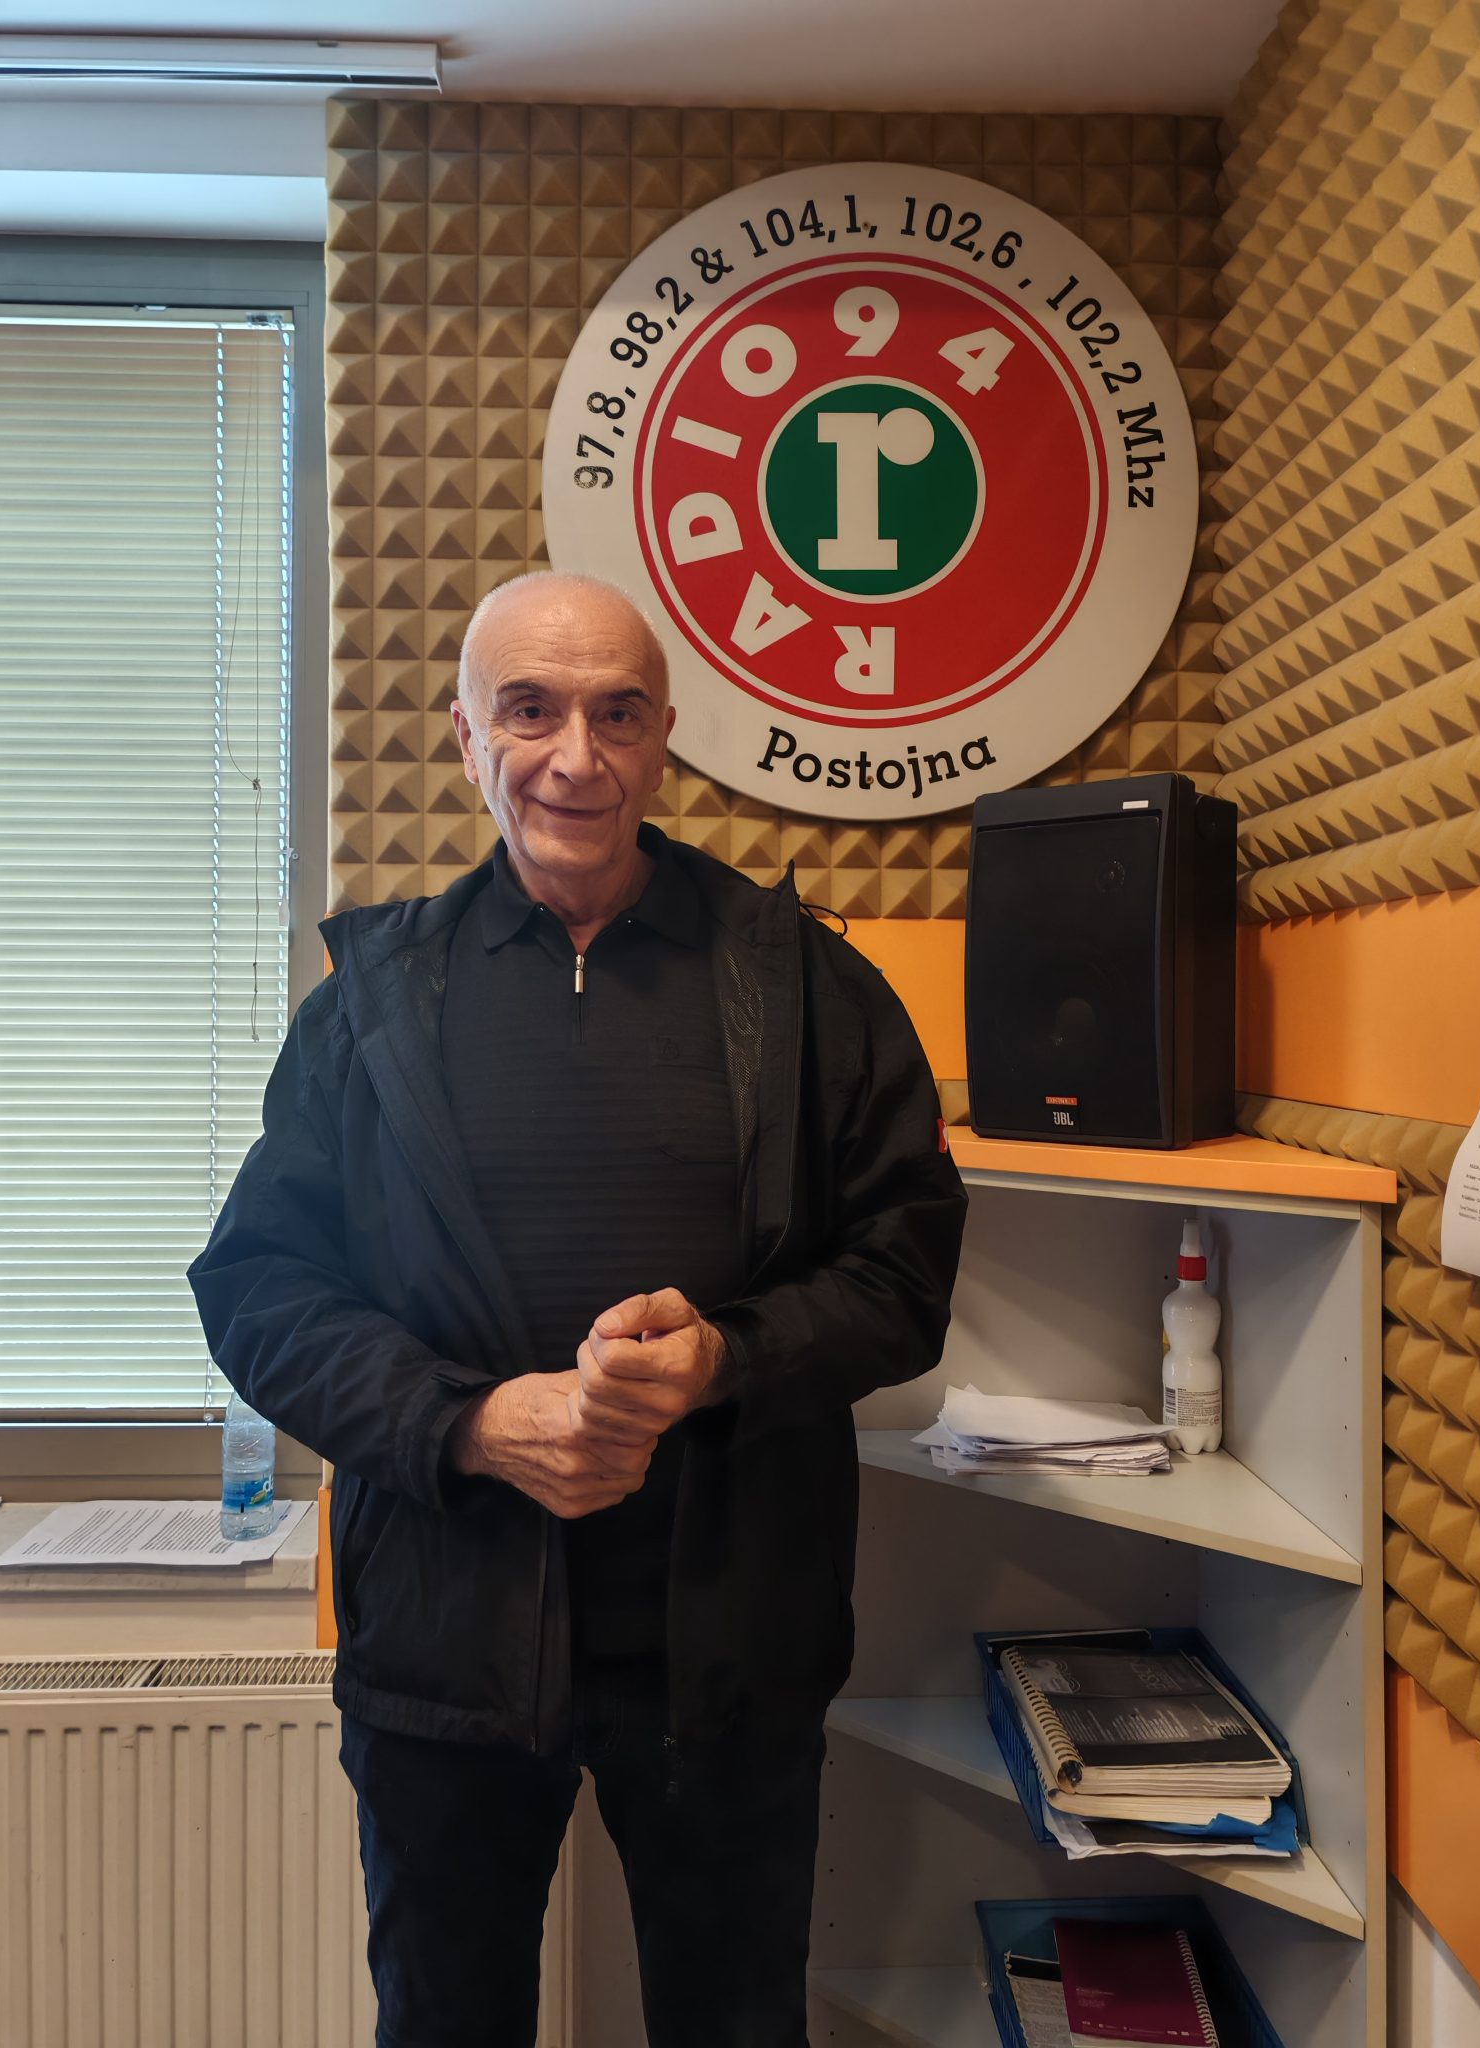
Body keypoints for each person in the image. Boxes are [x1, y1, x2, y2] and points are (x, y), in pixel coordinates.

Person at [188, 571, 968, 2048]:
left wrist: (726, 1358)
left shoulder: (807, 983)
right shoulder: (370, 1003)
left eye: (617, 714)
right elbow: (257, 1289)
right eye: (531, 711)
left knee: (737, 2026)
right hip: (444, 1648)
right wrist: (474, 1422)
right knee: (446, 2023)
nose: (575, 758)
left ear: (665, 736)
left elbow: (905, 1275)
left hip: (731, 1649)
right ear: (467, 737)